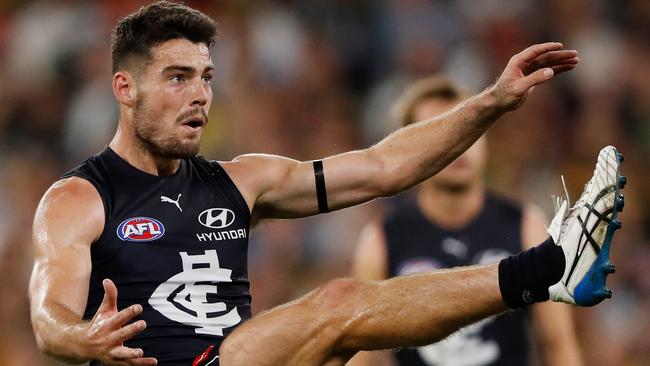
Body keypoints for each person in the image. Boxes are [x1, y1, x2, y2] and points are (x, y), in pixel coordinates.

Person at [27, 1, 615, 365]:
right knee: (339, 303)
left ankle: (551, 271)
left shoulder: (242, 181)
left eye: (206, 76)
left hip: (240, 358)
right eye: (177, 78)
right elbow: (48, 311)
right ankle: (549, 268)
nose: (200, 94)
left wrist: (492, 102)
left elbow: (385, 167)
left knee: (345, 314)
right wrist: (80, 337)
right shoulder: (80, 197)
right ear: (124, 88)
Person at [349, 76, 582, 366]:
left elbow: (558, 345)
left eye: (471, 129)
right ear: (408, 150)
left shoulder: (527, 226)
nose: (459, 145)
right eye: (442, 133)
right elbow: (363, 358)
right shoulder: (382, 240)